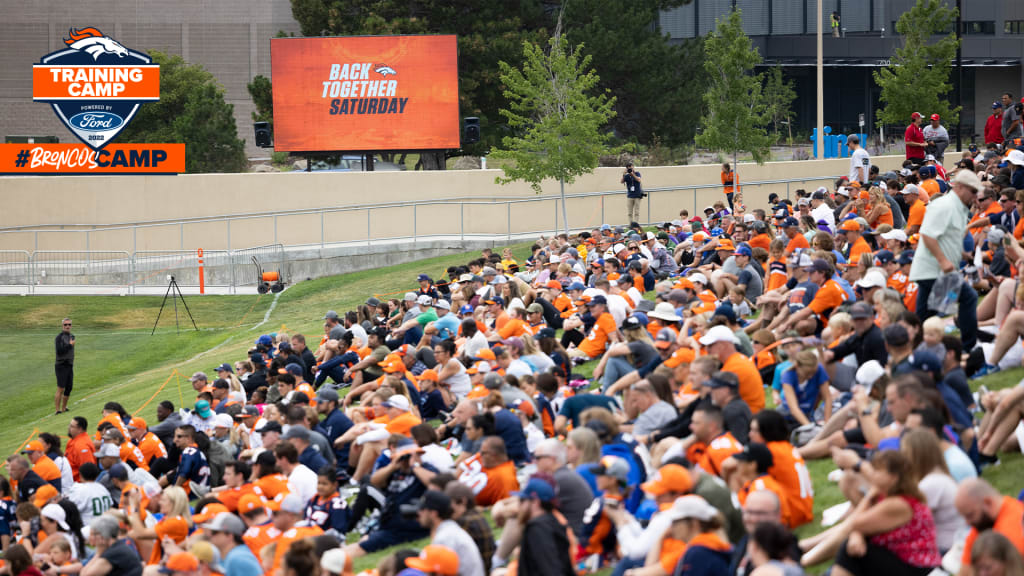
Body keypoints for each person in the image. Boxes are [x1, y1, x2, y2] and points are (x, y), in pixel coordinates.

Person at [832, 451, 941, 576]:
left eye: (877, 470)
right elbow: (860, 526)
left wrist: (868, 497)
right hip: (907, 561)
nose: (871, 473)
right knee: (854, 548)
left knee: (849, 551)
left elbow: (854, 523)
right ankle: (805, 555)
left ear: (893, 477)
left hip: (919, 569)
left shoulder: (898, 503)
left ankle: (805, 559)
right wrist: (856, 535)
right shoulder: (889, 497)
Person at [909, 168, 980, 351]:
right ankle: (967, 347)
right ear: (960, 187)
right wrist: (943, 261)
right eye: (973, 191)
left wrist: (963, 255)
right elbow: (927, 235)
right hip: (935, 270)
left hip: (933, 270)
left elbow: (946, 237)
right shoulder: (945, 205)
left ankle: (915, 349)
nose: (975, 197)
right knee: (969, 298)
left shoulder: (958, 207)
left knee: (928, 314)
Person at [955, 478, 1024, 576]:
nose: (967, 522)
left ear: (988, 502)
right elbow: (964, 571)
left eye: (970, 515)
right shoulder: (984, 523)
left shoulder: (1010, 533)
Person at [515, 476, 575, 576]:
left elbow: (551, 570)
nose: (519, 506)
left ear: (535, 502)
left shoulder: (537, 529)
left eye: (522, 500)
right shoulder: (552, 522)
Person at [415, 490, 485, 576]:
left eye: (422, 509)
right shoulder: (450, 530)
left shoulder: (445, 537)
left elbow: (439, 573)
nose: (419, 513)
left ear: (433, 513)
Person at [54, 318, 74, 415]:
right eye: (65, 324)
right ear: (62, 326)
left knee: (69, 387)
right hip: (61, 365)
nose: (67, 326)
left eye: (69, 324)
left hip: (69, 365)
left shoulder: (72, 336)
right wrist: (70, 345)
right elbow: (59, 351)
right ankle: (57, 410)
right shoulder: (59, 337)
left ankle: (64, 408)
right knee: (61, 388)